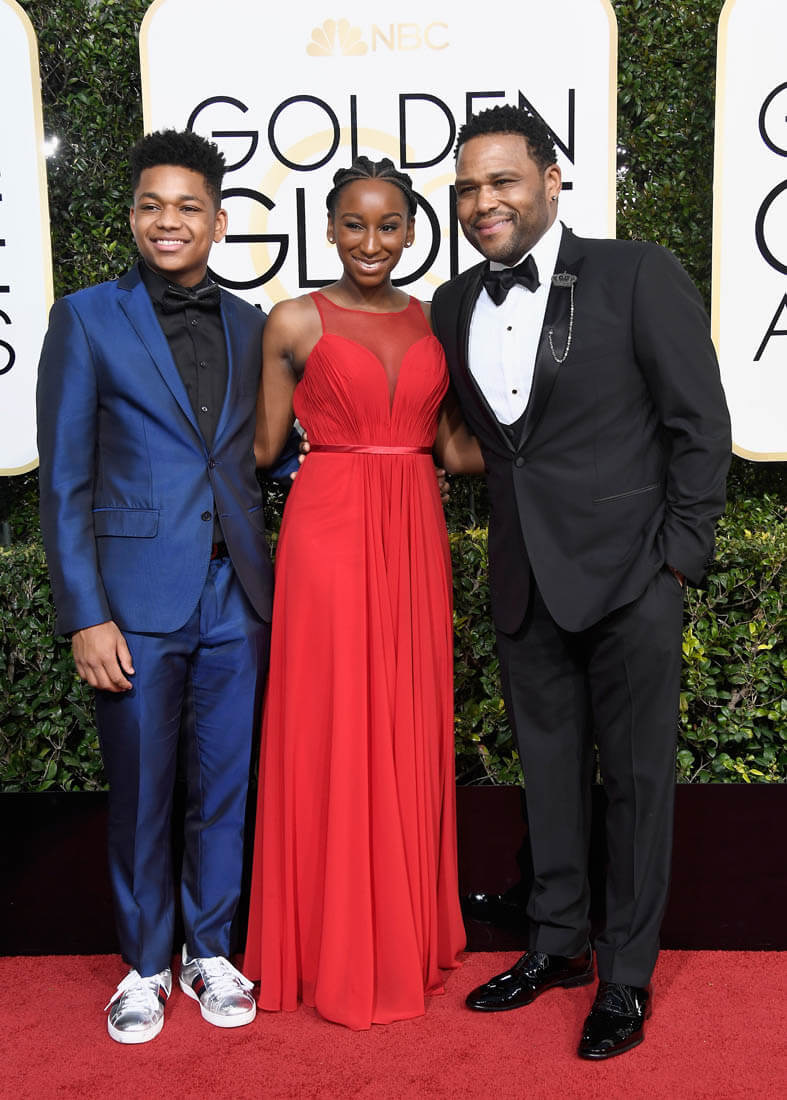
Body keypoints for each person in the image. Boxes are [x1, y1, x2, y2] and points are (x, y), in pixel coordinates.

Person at [430, 105, 731, 1059]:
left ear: (551, 181)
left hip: (632, 578)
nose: (483, 202)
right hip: (525, 580)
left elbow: (699, 424)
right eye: (467, 188)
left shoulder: (635, 272)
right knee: (549, 778)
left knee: (636, 787)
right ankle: (555, 945)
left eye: (502, 181)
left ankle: (625, 976)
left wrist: (677, 557)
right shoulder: (450, 303)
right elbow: (491, 445)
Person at [37, 130, 296, 1044]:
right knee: (144, 793)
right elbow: (64, 480)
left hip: (240, 596)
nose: (168, 221)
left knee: (224, 791)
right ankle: (146, 964)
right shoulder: (85, 318)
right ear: (132, 216)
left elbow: (265, 453)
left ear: (218, 222)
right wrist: (86, 614)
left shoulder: (254, 323)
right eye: (152, 205)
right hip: (136, 603)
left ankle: (210, 950)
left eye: (188, 206)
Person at [243, 156, 481, 1030]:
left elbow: (453, 449)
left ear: (411, 232)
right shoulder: (292, 320)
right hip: (329, 530)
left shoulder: (437, 321)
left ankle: (400, 931)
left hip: (414, 529)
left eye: (387, 225)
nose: (370, 241)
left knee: (404, 718)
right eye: (353, 224)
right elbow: (261, 448)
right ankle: (328, 940)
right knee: (336, 718)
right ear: (329, 228)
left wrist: (567, 437)